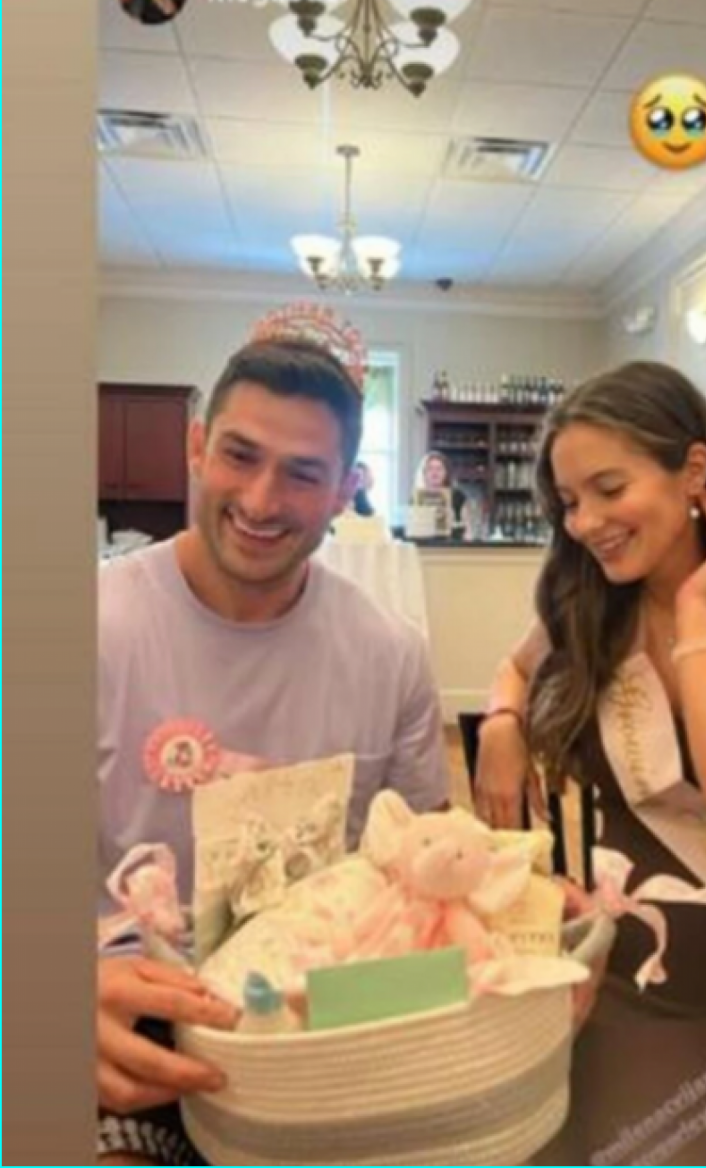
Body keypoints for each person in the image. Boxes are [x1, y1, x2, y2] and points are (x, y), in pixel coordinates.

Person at [97, 336, 450, 1166]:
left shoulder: (390, 653)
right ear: (197, 447)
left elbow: (423, 878)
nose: (261, 500)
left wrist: (521, 943)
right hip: (128, 1006)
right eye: (240, 455)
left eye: (302, 473)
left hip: (328, 1016)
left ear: (345, 490)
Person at [475, 361, 706, 1017]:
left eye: (609, 488)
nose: (585, 523)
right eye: (570, 502)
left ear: (694, 470)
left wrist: (697, 617)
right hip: (617, 971)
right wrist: (502, 722)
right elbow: (517, 668)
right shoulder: (592, 604)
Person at [415, 451, 469, 534]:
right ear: (424, 473)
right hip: (424, 541)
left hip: (453, 541)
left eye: (439, 469)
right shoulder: (416, 498)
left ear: (446, 472)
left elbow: (467, 529)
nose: (435, 472)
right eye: (430, 468)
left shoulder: (457, 496)